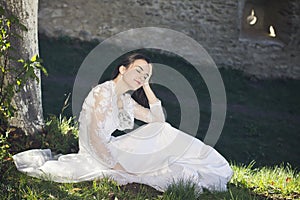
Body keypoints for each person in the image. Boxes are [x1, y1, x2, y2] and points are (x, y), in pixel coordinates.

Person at [13, 53, 233, 192]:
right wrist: (120, 168)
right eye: (139, 71)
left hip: (111, 148)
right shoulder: (102, 92)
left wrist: (147, 87)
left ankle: (208, 161)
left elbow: (157, 120)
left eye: (146, 75)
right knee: (158, 148)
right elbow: (95, 138)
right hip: (96, 154)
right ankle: (202, 161)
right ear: (122, 69)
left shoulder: (126, 101)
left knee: (162, 129)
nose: (142, 76)